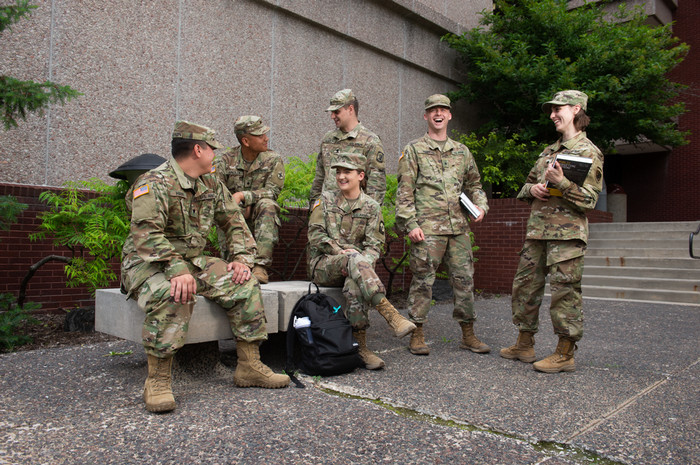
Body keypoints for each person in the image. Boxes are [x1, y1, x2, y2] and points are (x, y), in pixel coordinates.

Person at [121, 121, 289, 413]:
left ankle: (249, 365)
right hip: (147, 262)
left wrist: (242, 259)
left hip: (191, 261)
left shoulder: (210, 182)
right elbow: (146, 234)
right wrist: (176, 268)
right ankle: (158, 380)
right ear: (198, 149)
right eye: (212, 148)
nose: (216, 154)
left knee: (244, 282)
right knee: (174, 293)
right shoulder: (154, 182)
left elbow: (234, 222)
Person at [500, 90, 604, 373]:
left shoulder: (589, 152)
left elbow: (590, 201)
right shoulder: (548, 152)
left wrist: (563, 182)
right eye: (551, 110)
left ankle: (565, 353)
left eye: (558, 109)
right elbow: (526, 187)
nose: (552, 115)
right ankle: (524, 343)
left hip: (567, 237)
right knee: (524, 289)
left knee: (565, 294)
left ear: (576, 109)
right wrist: (531, 189)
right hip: (537, 234)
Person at [396, 94, 489, 356]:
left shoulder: (462, 152)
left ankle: (468, 334)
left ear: (449, 116)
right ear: (425, 116)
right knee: (423, 281)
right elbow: (405, 191)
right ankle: (417, 333)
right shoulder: (414, 149)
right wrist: (410, 223)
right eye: (433, 110)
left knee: (465, 281)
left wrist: (481, 206)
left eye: (443, 110)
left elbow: (475, 185)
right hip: (427, 229)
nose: (438, 114)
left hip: (459, 228)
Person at [307, 152, 416, 369]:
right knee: (353, 258)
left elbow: (375, 246)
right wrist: (342, 253)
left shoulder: (372, 207)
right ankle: (390, 314)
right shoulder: (325, 200)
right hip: (324, 265)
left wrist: (358, 262)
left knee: (354, 285)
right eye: (338, 172)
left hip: (357, 270)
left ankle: (361, 348)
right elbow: (315, 235)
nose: (341, 176)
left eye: (347, 171)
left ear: (360, 175)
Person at [214, 115, 284, 284]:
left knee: (267, 205)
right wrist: (236, 203)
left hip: (260, 215)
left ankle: (260, 266)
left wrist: (245, 197)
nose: (266, 138)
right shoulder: (224, 160)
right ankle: (234, 262)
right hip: (233, 215)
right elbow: (216, 193)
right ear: (245, 141)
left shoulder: (272, 159)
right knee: (227, 208)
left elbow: (272, 191)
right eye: (260, 135)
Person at [309, 89, 386, 208]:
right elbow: (319, 178)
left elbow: (376, 185)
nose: (332, 116)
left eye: (336, 112)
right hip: (327, 211)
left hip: (354, 214)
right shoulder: (328, 139)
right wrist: (314, 207)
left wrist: (367, 215)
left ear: (350, 109)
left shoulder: (370, 141)